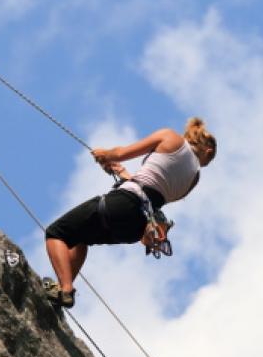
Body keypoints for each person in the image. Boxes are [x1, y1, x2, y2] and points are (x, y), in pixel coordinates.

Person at [43, 117, 217, 308]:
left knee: (55, 233)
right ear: (207, 151)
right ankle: (62, 291)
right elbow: (153, 192)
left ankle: (66, 289)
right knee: (80, 239)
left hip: (124, 203)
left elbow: (121, 153)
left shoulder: (170, 137)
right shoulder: (194, 178)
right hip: (137, 226)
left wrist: (106, 154)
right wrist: (121, 171)